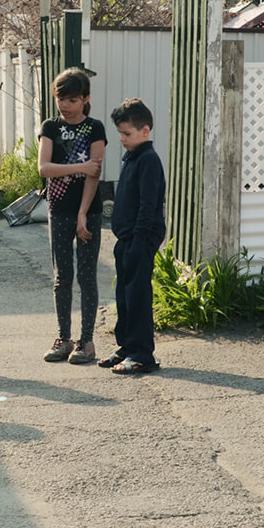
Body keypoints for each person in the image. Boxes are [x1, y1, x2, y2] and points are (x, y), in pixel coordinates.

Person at [38, 67, 106, 365]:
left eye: (72, 100)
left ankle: (86, 342)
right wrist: (79, 168)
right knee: (62, 277)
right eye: (60, 98)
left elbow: (96, 173)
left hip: (87, 211)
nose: (64, 105)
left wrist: (82, 214)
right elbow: (44, 168)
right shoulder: (50, 127)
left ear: (86, 99)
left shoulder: (95, 128)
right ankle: (63, 338)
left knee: (87, 276)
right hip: (57, 208)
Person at [101, 98, 167, 375]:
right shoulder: (133, 157)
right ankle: (127, 346)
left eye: (126, 134)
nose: (122, 139)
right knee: (124, 295)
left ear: (145, 131)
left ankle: (142, 354)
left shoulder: (149, 160)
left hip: (140, 240)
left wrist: (139, 240)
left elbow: (148, 205)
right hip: (126, 240)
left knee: (138, 297)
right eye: (120, 133)